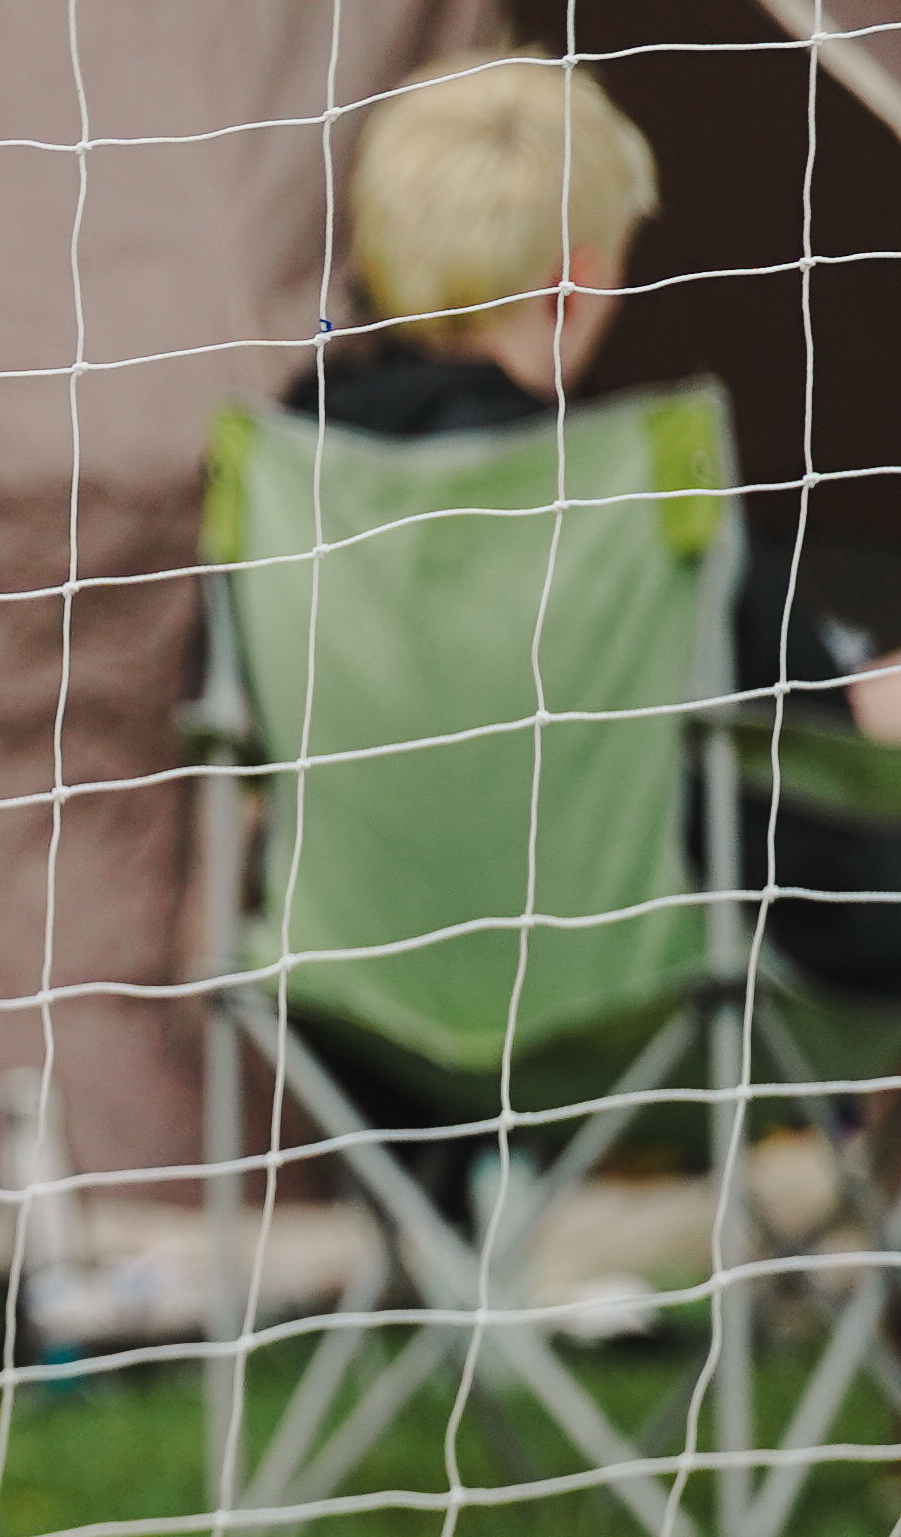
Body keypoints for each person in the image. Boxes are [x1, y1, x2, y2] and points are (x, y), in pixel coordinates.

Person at [298, 49, 901, 987]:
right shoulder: (626, 497)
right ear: (571, 287)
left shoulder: (301, 466)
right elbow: (803, 795)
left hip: (358, 989)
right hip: (632, 997)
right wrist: (857, 707)